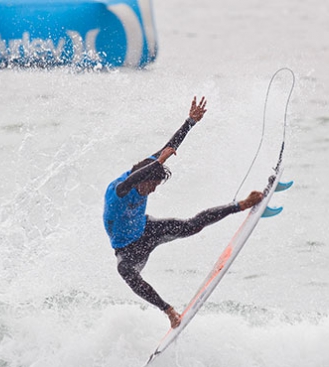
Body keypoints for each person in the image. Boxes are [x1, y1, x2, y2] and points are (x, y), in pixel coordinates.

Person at [103, 96, 264, 328]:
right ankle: (168, 310)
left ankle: (241, 205)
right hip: (128, 249)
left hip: (145, 229)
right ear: (143, 179)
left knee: (191, 226)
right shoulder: (118, 192)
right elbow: (131, 182)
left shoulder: (146, 168)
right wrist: (157, 164)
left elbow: (171, 146)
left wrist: (190, 122)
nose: (152, 191)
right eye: (151, 186)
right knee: (126, 272)